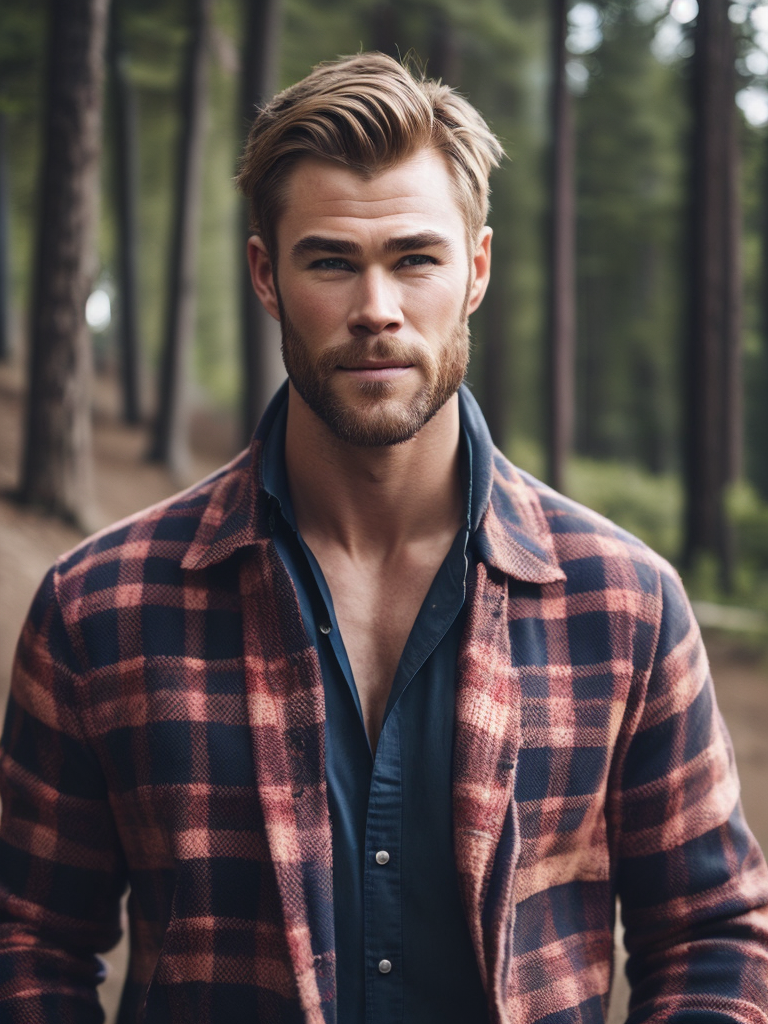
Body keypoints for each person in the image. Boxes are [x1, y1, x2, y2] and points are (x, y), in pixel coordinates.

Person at [1, 52, 767, 1024]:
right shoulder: (97, 609)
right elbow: (27, 938)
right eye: (331, 260)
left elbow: (712, 937)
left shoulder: (627, 605)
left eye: (415, 257)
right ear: (264, 274)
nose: (377, 308)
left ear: (477, 269)